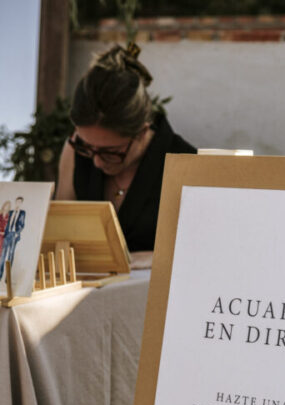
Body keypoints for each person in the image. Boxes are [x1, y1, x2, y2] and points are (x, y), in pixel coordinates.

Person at [56, 42, 196, 256]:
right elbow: (60, 240)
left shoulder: (187, 164)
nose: (96, 162)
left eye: (110, 152)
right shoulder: (75, 151)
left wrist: (153, 259)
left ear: (142, 131)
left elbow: (200, 252)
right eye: (87, 147)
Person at [0, 196, 26, 280]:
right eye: (17, 202)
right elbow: (6, 222)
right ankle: (0, 274)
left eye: (20, 202)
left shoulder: (22, 213)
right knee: (3, 255)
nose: (18, 203)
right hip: (7, 234)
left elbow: (22, 224)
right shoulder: (10, 212)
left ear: (21, 203)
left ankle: (7, 277)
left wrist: (17, 233)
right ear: (15, 202)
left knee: (10, 255)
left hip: (14, 234)